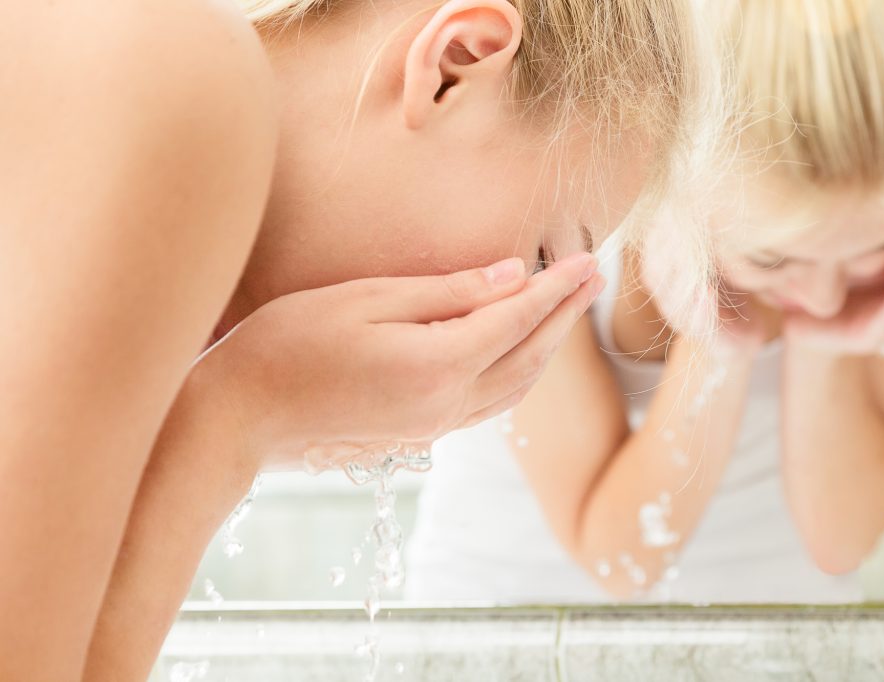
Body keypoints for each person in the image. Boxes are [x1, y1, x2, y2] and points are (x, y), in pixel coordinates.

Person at [0, 0, 717, 679]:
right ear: (456, 64)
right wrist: (237, 417)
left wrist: (242, 410)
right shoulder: (180, 77)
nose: (511, 329)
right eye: (540, 260)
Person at [406, 0, 884, 604]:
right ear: (680, 174)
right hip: (507, 617)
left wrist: (826, 348)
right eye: (773, 257)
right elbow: (620, 561)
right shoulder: (546, 156)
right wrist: (715, 346)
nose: (823, 297)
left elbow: (841, 542)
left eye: (874, 248)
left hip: (788, 621)